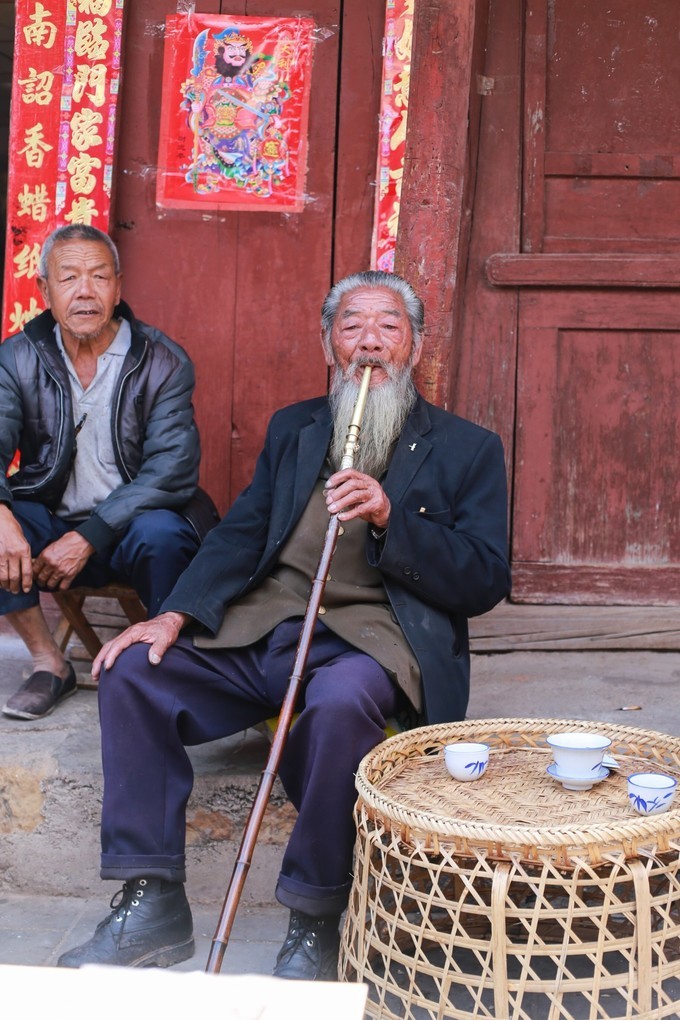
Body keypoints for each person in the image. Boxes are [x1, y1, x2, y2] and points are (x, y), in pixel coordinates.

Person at [57, 270, 511, 978]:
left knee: (338, 705)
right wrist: (172, 614)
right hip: (264, 630)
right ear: (329, 344)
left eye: (388, 327)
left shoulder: (466, 448)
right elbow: (240, 533)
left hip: (369, 642)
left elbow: (485, 578)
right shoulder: (297, 427)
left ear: (414, 346)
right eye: (351, 326)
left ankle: (316, 917)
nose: (369, 343)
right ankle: (151, 900)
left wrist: (393, 517)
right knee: (131, 671)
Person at [0, 224, 217, 721]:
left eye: (99, 277)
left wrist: (91, 536)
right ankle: (48, 663)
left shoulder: (161, 360)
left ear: (118, 287)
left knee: (162, 532)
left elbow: (171, 471)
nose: (85, 291)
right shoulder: (16, 358)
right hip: (54, 524)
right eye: (69, 277)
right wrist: (2, 516)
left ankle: (163, 668)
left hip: (130, 529)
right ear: (44, 290)